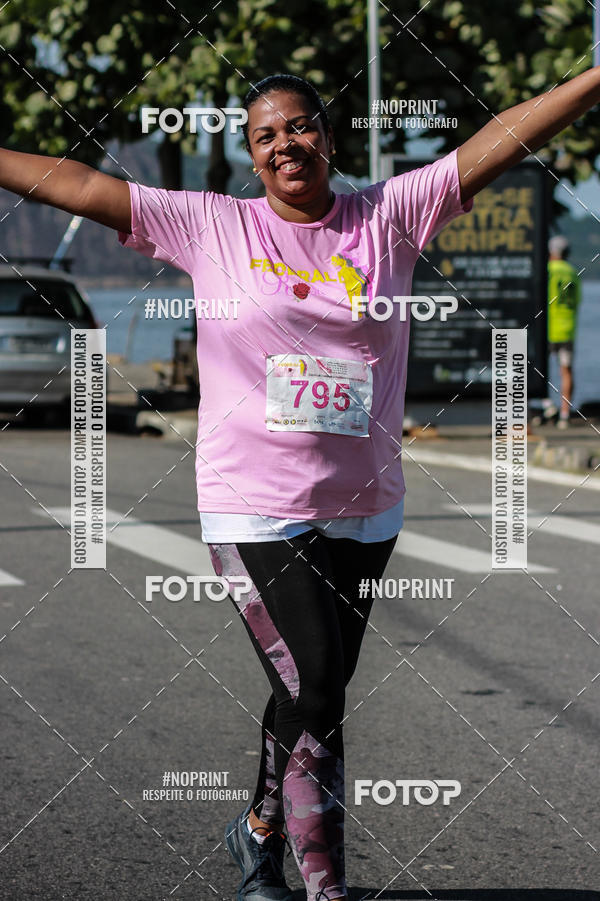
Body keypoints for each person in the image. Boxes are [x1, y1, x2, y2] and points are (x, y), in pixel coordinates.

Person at [2, 65, 600, 901]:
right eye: (265, 135)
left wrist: (595, 77)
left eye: (299, 126)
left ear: (328, 133)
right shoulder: (211, 225)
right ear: (252, 155)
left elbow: (502, 139)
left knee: (309, 692)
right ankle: (323, 885)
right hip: (251, 501)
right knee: (315, 680)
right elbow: (81, 185)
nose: (286, 143)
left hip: (364, 506)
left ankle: (254, 832)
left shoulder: (390, 214)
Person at [546, 234, 582, 428]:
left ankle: (547, 405)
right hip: (567, 329)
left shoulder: (548, 270)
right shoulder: (573, 272)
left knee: (536, 369)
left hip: (548, 327)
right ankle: (564, 414)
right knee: (566, 371)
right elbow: (577, 300)